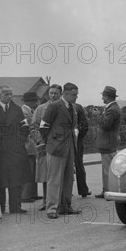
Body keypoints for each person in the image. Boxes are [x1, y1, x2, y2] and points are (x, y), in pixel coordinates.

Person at [40, 82, 82, 219]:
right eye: (74, 95)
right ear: (65, 94)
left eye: (77, 94)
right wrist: (51, 143)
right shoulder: (54, 106)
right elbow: (43, 127)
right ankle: (52, 208)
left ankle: (65, 206)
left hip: (70, 147)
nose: (76, 97)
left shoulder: (73, 107)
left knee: (69, 178)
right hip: (56, 148)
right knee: (54, 179)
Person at [0, 85, 32, 214]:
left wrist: (19, 142)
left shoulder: (17, 109)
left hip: (15, 150)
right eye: (6, 94)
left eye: (11, 94)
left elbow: (25, 127)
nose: (9, 96)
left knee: (16, 179)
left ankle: (15, 207)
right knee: (0, 179)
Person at [32, 84, 62, 211]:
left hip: (60, 146)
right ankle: (46, 201)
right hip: (45, 145)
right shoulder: (41, 109)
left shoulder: (64, 107)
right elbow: (34, 126)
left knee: (59, 175)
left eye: (56, 93)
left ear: (60, 94)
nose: (53, 95)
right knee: (46, 175)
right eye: (51, 93)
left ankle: (60, 202)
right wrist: (39, 140)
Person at [95, 86, 122, 198]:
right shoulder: (113, 108)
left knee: (107, 169)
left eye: (103, 96)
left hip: (108, 143)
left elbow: (106, 125)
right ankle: (107, 189)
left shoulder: (112, 110)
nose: (102, 98)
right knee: (108, 168)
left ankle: (108, 190)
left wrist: (97, 116)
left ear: (107, 96)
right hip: (109, 142)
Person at [20, 91, 40, 203]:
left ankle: (32, 194)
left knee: (33, 170)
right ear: (31, 101)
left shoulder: (28, 111)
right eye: (35, 100)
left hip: (30, 146)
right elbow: (29, 128)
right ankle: (26, 195)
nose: (36, 102)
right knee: (29, 170)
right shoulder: (25, 112)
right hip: (28, 145)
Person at [74, 102, 91, 197]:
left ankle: (83, 189)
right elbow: (85, 125)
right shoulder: (78, 107)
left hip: (74, 140)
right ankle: (83, 190)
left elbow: (84, 125)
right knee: (79, 165)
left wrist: (79, 137)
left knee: (78, 165)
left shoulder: (77, 107)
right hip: (76, 140)